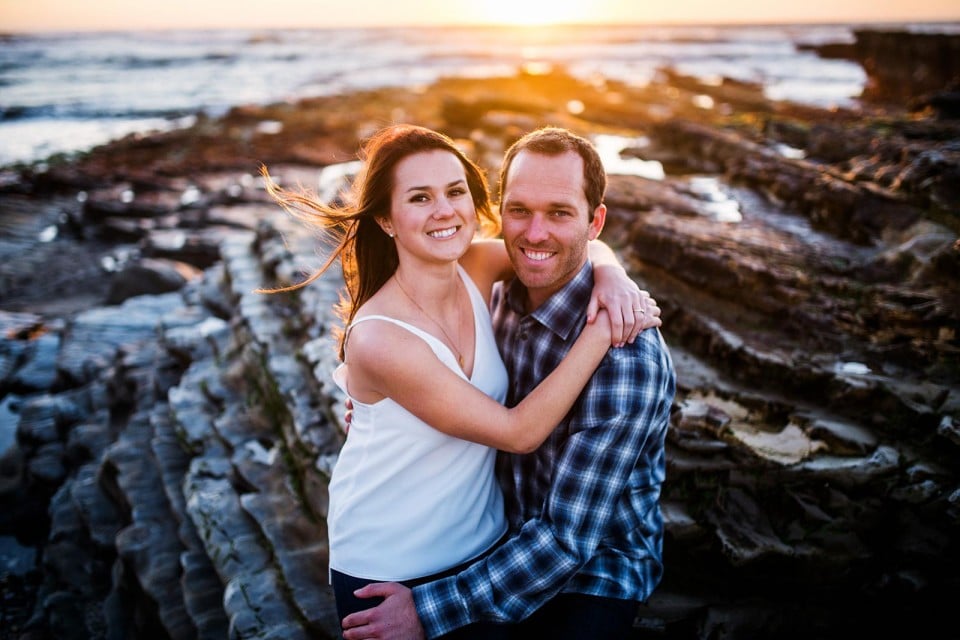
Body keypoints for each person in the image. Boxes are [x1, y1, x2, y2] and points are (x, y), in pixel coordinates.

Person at [259, 124, 660, 639]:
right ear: (386, 218)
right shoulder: (380, 339)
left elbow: (570, 245)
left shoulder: (475, 266)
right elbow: (519, 433)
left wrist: (613, 277)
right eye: (419, 197)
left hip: (482, 546)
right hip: (394, 566)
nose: (444, 210)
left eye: (455, 192)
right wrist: (603, 329)